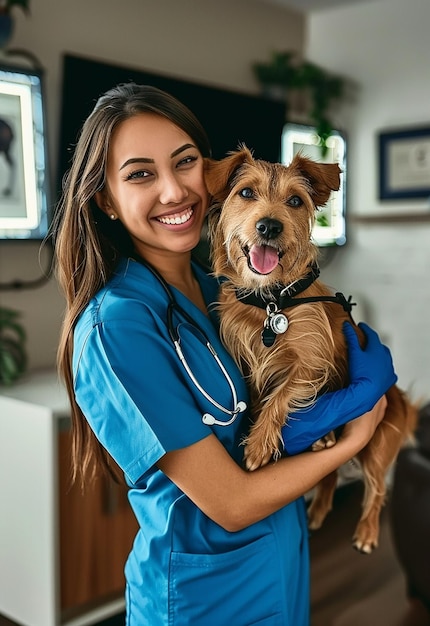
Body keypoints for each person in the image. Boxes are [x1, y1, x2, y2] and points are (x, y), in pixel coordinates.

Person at [54, 82, 396, 626]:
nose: (174, 191)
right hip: (205, 594)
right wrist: (350, 439)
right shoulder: (118, 325)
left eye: (185, 162)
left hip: (280, 561)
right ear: (106, 200)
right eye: (141, 174)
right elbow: (230, 502)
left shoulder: (219, 288)